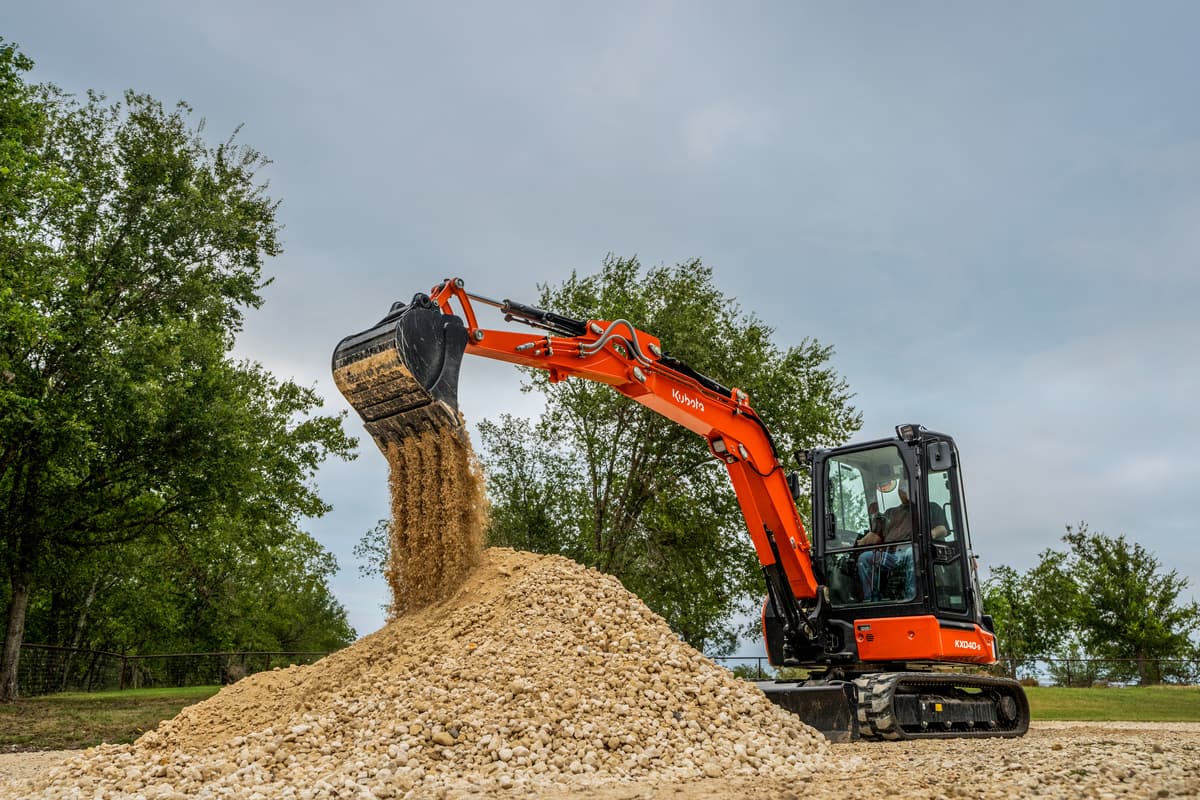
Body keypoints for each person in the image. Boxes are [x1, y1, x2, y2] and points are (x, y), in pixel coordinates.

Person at [856, 487, 917, 602]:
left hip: (911, 551)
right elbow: (875, 537)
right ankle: (871, 600)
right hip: (891, 555)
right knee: (864, 558)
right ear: (899, 491)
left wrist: (929, 534)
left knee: (912, 553)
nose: (905, 490)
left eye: (907, 486)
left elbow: (942, 529)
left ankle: (911, 597)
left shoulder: (926, 508)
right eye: (902, 487)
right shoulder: (890, 513)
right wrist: (854, 544)